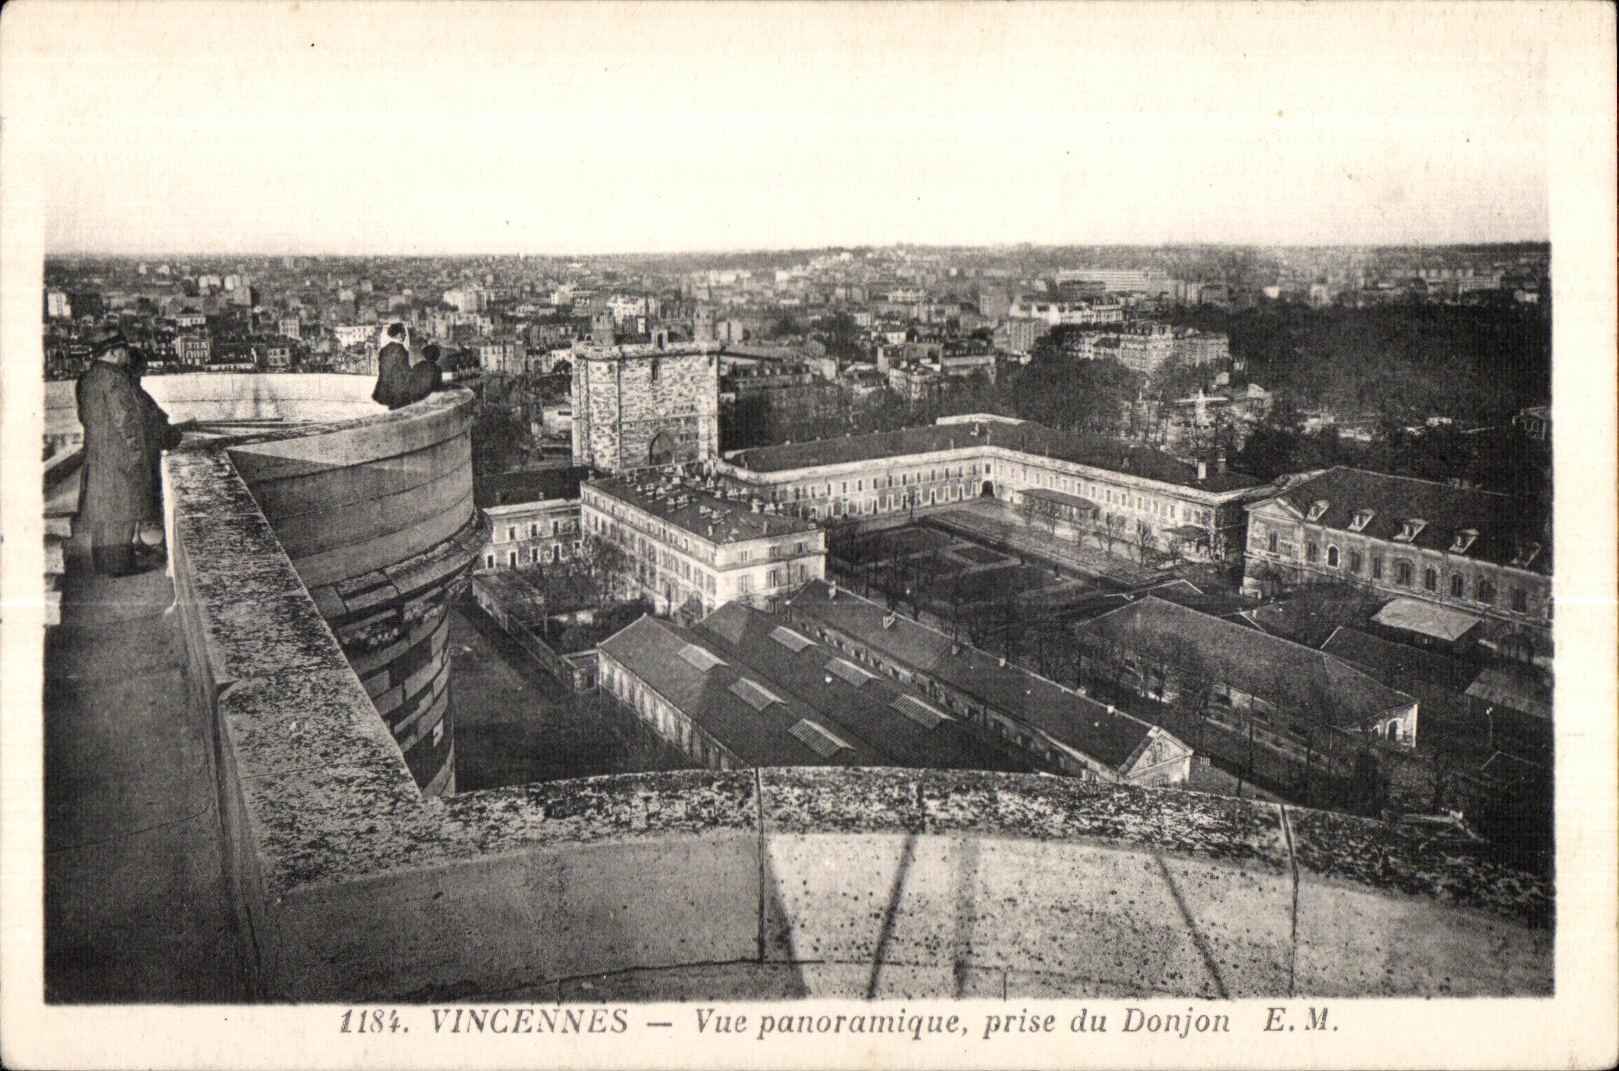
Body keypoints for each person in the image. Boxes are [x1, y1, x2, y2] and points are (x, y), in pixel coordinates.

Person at [75, 328, 156, 576]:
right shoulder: (116, 380)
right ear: (112, 352)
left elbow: (83, 417)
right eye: (122, 351)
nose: (125, 356)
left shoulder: (87, 379)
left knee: (102, 514)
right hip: (120, 459)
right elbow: (127, 423)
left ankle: (104, 563)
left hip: (96, 456)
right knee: (122, 512)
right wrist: (137, 458)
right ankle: (121, 566)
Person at [128, 348, 183, 545]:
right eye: (141, 371)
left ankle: (136, 540)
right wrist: (174, 434)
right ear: (137, 371)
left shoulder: (124, 393)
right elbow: (159, 426)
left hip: (132, 458)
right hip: (145, 457)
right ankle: (144, 541)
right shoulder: (137, 395)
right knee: (147, 501)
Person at [371, 322, 412, 409]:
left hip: (386, 389)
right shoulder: (401, 350)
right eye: (403, 333)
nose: (405, 335)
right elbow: (404, 371)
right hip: (399, 389)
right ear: (399, 334)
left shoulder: (384, 349)